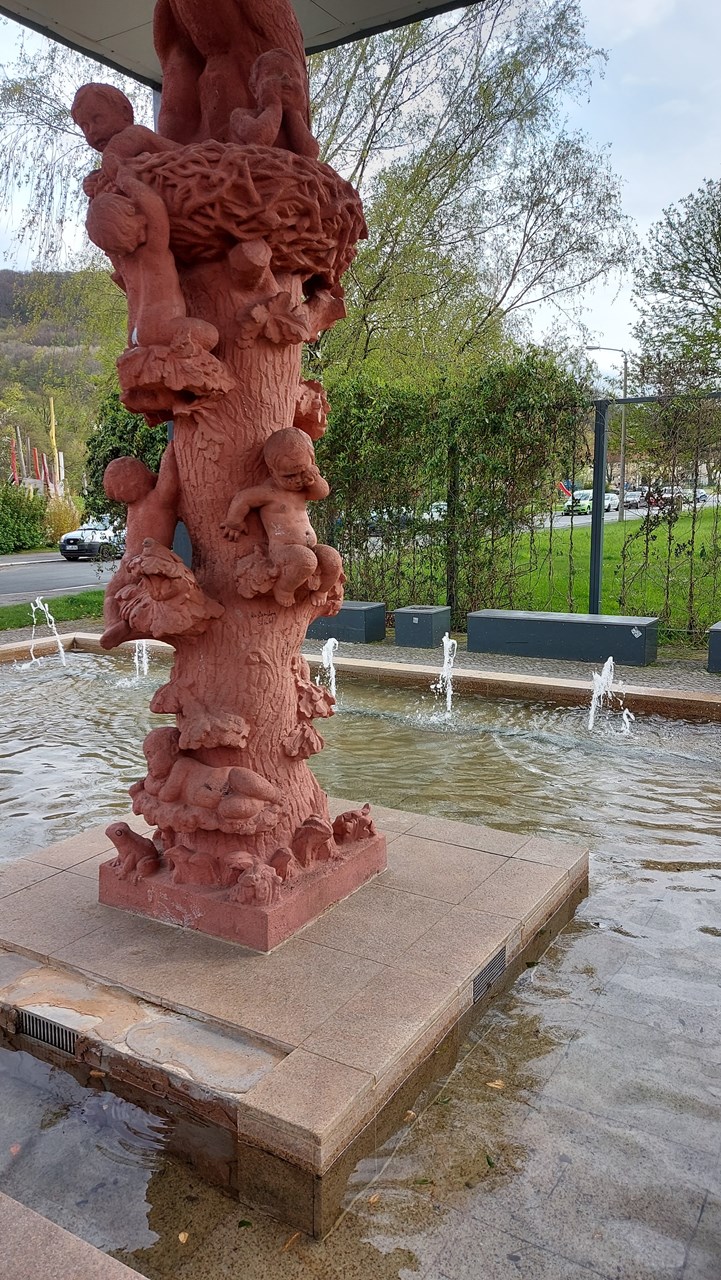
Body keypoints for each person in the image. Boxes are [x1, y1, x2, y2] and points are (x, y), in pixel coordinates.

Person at [221, 427, 341, 606]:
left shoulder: (303, 490)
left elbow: (322, 493)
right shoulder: (269, 492)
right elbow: (243, 498)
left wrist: (314, 479)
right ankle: (284, 588)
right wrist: (234, 522)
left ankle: (322, 590)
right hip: (284, 549)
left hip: (310, 546)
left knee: (333, 559)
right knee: (306, 560)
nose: (298, 480)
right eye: (289, 476)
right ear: (272, 471)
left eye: (303, 472)